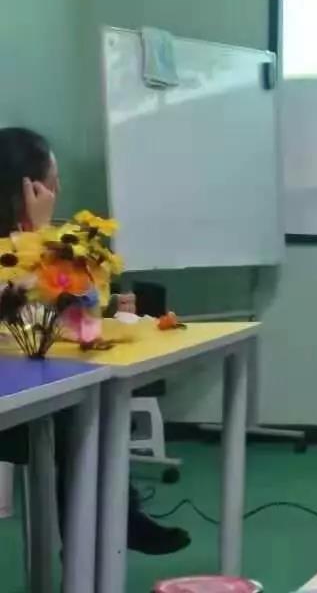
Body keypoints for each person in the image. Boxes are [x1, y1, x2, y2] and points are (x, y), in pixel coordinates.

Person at [0, 127, 190, 554]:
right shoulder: (23, 252)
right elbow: (21, 307)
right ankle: (98, 541)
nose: (58, 191)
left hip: (36, 397)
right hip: (13, 409)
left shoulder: (47, 245)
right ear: (27, 189)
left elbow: (74, 314)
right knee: (82, 417)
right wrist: (38, 234)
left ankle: (103, 536)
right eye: (51, 181)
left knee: (94, 406)